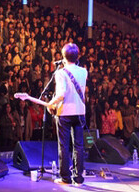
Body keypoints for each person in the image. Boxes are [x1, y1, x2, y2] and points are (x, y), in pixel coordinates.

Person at [46, 43, 87, 186]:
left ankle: (65, 178)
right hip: (80, 111)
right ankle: (79, 178)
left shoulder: (60, 73)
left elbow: (62, 94)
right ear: (77, 56)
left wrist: (51, 103)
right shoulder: (84, 71)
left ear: (63, 57)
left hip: (65, 113)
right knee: (79, 146)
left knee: (63, 145)